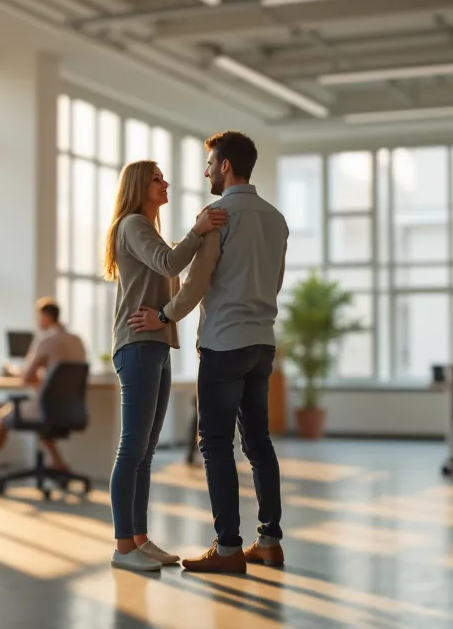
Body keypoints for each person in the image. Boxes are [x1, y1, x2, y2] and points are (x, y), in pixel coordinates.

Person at [129, 131, 288, 575]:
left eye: (209, 164)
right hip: (262, 342)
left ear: (225, 166)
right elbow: (275, 281)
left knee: (215, 444)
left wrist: (163, 315)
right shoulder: (276, 219)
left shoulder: (218, 215)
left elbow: (196, 283)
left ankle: (228, 549)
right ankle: (270, 542)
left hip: (224, 343)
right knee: (259, 443)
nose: (205, 172)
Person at [104, 159, 228, 572]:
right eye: (157, 178)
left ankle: (139, 538)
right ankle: (123, 548)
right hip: (138, 345)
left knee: (145, 451)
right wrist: (198, 230)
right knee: (132, 449)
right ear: (140, 186)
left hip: (154, 345)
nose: (165, 182)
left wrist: (198, 237)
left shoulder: (147, 230)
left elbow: (173, 265)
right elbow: (172, 264)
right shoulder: (134, 225)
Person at [0, 298, 86, 477]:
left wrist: (11, 371)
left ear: (46, 317)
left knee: (4, 416)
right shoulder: (77, 340)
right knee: (43, 416)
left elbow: (27, 377)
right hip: (71, 408)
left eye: (39, 317)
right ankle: (58, 462)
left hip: (47, 407)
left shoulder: (47, 340)